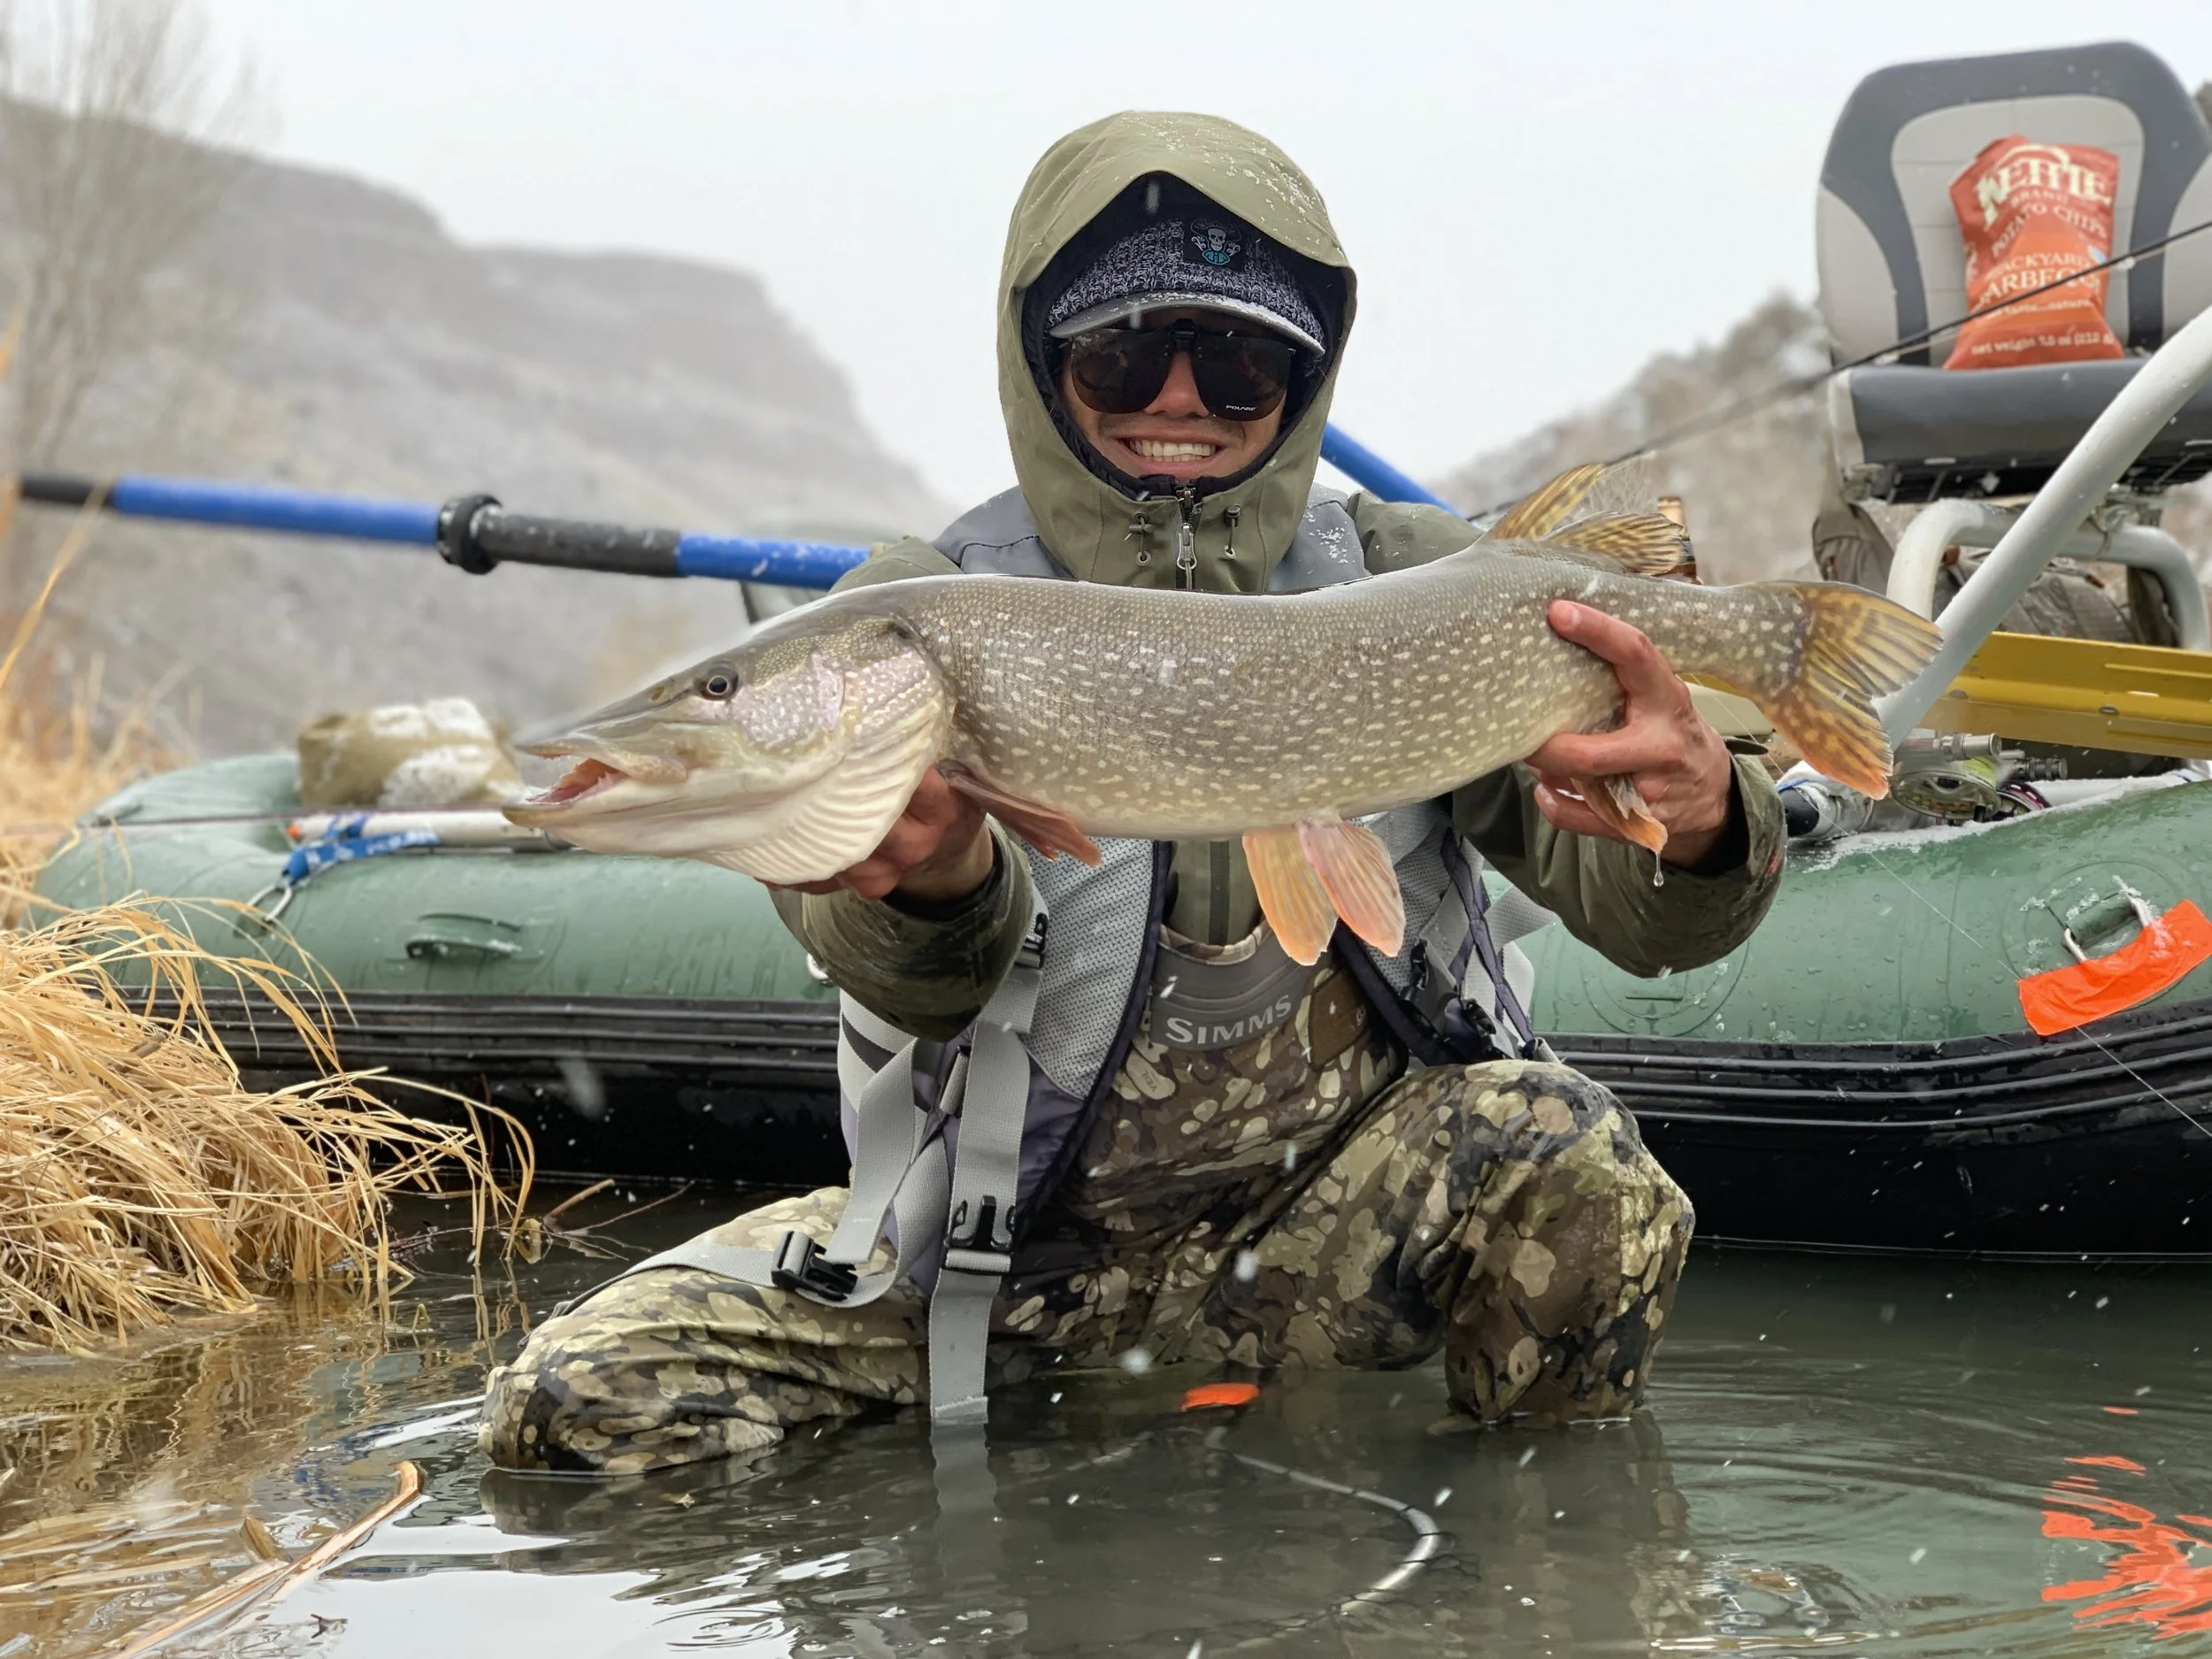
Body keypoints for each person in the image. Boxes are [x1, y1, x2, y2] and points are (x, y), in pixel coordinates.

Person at [481, 111, 1785, 1475]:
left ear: (1304, 377)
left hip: (1332, 1237)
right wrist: (940, 885)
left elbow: (1659, 927)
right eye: (1122, 352)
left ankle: (1516, 1571)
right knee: (574, 1402)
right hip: (997, 1250)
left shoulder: (1426, 584)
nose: (1179, 399)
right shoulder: (904, 614)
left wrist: (1702, 823)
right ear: (1043, 363)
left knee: (1586, 1174)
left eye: (1237, 362)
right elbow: (906, 983)